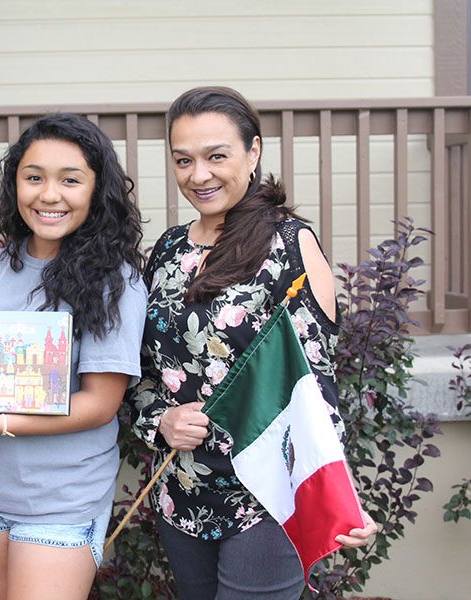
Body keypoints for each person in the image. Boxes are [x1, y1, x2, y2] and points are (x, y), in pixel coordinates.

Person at [128, 86, 378, 600]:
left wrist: (337, 490)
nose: (199, 175)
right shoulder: (168, 249)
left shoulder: (290, 244)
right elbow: (142, 372)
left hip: (267, 492)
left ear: (254, 151)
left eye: (216, 155)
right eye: (183, 160)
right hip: (184, 489)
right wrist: (160, 422)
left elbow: (313, 385)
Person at [0, 113, 147, 600]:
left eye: (70, 179)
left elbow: (100, 405)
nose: (48, 194)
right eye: (34, 177)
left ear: (97, 189)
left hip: (61, 495)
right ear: (14, 182)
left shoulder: (115, 281)